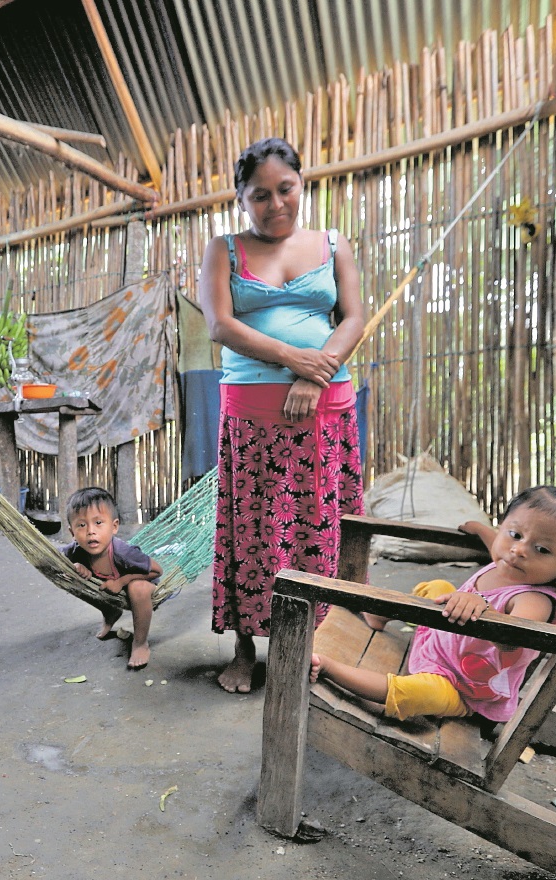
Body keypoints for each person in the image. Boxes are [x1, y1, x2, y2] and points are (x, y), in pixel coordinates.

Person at [198, 137, 367, 693]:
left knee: (315, 530)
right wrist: (293, 357)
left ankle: (316, 648)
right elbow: (220, 326)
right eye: (260, 195)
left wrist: (312, 376)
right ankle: (246, 647)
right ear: (242, 199)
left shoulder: (334, 244)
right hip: (250, 418)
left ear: (302, 183)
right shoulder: (224, 249)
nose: (276, 205)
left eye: (285, 189)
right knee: (250, 533)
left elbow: (353, 318)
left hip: (323, 413)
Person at [311, 486, 556, 723]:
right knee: (440, 588)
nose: (518, 550)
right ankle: (378, 617)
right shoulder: (508, 559)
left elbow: (514, 642)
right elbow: (500, 546)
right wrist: (484, 532)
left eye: (542, 549)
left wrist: (483, 608)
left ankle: (330, 669)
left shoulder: (534, 600)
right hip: (440, 639)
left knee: (419, 694)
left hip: (462, 686)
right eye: (515, 534)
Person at [60, 487, 163, 670]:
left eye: (98, 522)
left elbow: (157, 570)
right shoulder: (75, 550)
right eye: (82, 525)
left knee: (136, 587)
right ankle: (110, 611)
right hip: (112, 591)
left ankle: (140, 643)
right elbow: (55, 562)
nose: (91, 531)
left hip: (143, 584)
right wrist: (76, 567)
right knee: (72, 577)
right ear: (72, 531)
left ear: (114, 526)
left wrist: (122, 581)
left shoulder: (123, 552)